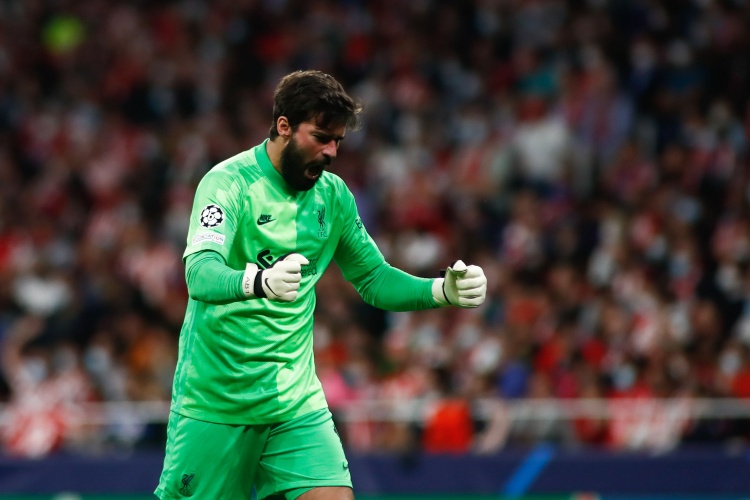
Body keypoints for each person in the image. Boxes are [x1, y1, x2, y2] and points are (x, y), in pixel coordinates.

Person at [155, 70, 487, 500]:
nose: (331, 151)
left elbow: (373, 278)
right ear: (284, 126)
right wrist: (259, 281)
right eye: (320, 137)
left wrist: (440, 291)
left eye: (338, 141)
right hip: (217, 401)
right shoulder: (228, 183)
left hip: (295, 405)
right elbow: (199, 273)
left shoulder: (334, 197)